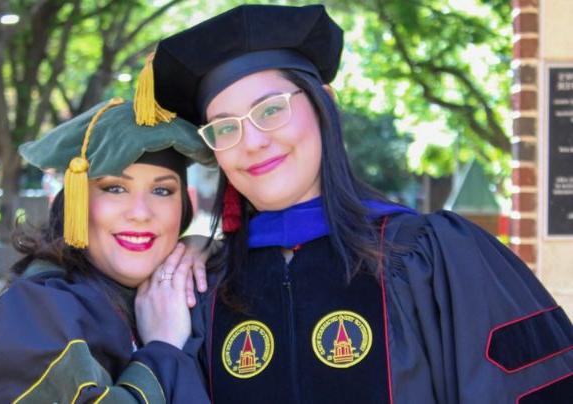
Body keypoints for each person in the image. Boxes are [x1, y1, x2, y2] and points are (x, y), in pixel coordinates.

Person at [143, 4, 573, 403]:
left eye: (270, 110)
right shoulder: (200, 288)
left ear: (324, 105)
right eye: (225, 128)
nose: (252, 142)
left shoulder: (435, 257)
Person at [0, 95, 213, 403]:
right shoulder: (32, 315)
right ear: (76, 205)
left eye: (162, 190)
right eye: (114, 188)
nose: (140, 212)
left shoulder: (191, 294)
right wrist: (163, 349)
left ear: (184, 206)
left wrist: (208, 247)